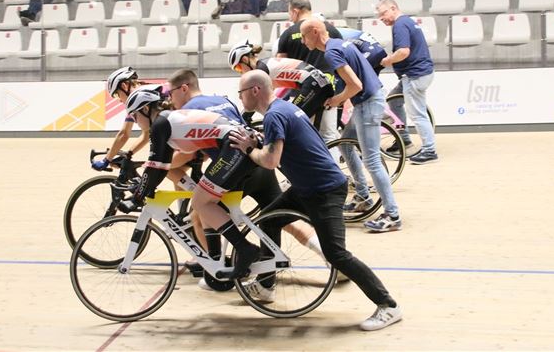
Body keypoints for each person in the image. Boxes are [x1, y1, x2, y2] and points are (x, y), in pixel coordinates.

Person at [229, 70, 403, 331]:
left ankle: (388, 305)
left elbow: (270, 161)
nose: (240, 98)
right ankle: (266, 284)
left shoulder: (275, 115)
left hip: (324, 190)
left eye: (241, 93)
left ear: (255, 91)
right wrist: (260, 141)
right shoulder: (284, 108)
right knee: (269, 222)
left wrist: (249, 148)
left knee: (337, 254)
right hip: (306, 188)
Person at [165, 68, 325, 289]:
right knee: (282, 219)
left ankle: (219, 274)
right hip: (259, 162)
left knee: (200, 213)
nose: (170, 99)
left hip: (236, 170)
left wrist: (162, 164)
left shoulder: (187, 112)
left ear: (184, 88)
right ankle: (330, 260)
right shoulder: (222, 100)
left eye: (171, 93)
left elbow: (189, 154)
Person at [123, 86, 260, 281]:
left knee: (200, 202)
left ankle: (245, 249)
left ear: (145, 109)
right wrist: (143, 189)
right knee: (205, 204)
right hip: (239, 144)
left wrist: (137, 197)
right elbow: (162, 166)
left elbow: (154, 167)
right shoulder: (168, 120)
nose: (135, 121)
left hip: (235, 148)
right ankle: (216, 262)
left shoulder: (160, 124)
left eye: (134, 115)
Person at [300, 17, 403, 233]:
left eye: (304, 35)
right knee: (346, 145)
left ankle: (392, 214)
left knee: (372, 160)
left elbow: (355, 85)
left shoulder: (331, 52)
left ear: (315, 32)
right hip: (368, 101)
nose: (302, 41)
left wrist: (336, 100)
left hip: (367, 104)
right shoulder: (340, 44)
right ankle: (363, 197)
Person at [376, 0, 438, 165]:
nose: (381, 18)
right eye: (379, 16)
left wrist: (388, 60)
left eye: (383, 14)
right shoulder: (407, 22)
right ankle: (403, 139)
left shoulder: (400, 25)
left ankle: (429, 151)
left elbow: (403, 51)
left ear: (393, 8)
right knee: (394, 102)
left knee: (417, 114)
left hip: (414, 75)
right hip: (416, 74)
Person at [276, 0, 344, 143]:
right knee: (329, 136)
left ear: (295, 11)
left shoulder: (288, 33)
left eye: (289, 13)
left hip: (300, 93)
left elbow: (280, 66)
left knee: (300, 136)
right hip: (328, 91)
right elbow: (342, 59)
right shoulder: (330, 29)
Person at [228, 40, 335, 128]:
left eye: (238, 68)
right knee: (304, 126)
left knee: (289, 118)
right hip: (317, 84)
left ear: (245, 59)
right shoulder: (264, 65)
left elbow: (256, 98)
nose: (240, 72)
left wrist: (244, 117)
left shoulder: (261, 70)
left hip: (314, 85)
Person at [91, 67, 152, 172]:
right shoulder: (142, 96)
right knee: (169, 171)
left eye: (117, 94)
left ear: (124, 86)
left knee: (158, 167)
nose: (119, 100)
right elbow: (147, 134)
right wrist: (128, 154)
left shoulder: (139, 98)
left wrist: (106, 160)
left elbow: (124, 134)